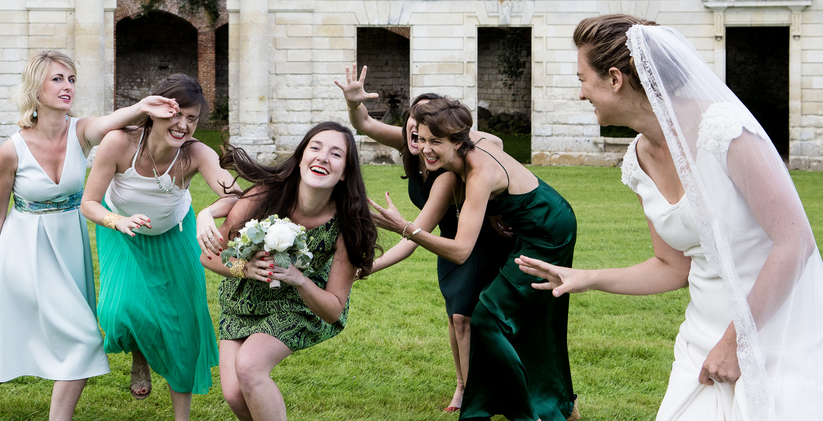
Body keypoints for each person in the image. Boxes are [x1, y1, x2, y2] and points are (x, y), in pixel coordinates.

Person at [517, 14, 823, 420]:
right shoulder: (639, 159)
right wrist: (586, 278)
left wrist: (736, 342)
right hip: (702, 337)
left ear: (614, 78)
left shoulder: (725, 132)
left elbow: (795, 243)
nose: (580, 94)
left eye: (582, 79)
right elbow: (671, 266)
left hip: (775, 331)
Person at [0, 50, 180, 419]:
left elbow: (113, 121)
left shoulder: (81, 132)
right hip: (22, 251)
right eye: (57, 79)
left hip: (67, 248)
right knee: (79, 337)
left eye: (71, 80)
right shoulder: (10, 151)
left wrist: (143, 106)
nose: (67, 87)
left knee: (48, 331)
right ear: (36, 89)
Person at [371, 97, 578, 421]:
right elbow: (497, 142)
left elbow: (461, 250)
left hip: (548, 230)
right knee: (532, 322)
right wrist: (497, 208)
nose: (425, 149)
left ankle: (525, 411)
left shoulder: (478, 172)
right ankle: (561, 405)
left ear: (458, 140)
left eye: (435, 142)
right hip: (529, 225)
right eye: (422, 139)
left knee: (490, 317)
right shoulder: (466, 153)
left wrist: (406, 228)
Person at [334, 65, 514, 412]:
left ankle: (476, 390)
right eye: (414, 128)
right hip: (449, 244)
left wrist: (374, 262)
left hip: (478, 243)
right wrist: (354, 102)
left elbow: (414, 234)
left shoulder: (447, 172)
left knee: (465, 318)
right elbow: (364, 124)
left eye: (430, 132)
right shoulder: (412, 143)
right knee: (455, 317)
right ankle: (462, 385)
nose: (419, 137)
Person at [79, 74, 241, 420]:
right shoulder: (118, 143)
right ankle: (140, 354)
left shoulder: (196, 154)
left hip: (174, 234)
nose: (182, 124)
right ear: (155, 110)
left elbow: (236, 196)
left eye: (192, 118)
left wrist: (209, 213)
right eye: (175, 113)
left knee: (182, 326)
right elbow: (89, 203)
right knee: (119, 313)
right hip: (122, 231)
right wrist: (117, 221)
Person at [199, 122, 380, 421]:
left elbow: (334, 310)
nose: (323, 157)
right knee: (234, 394)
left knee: (250, 366)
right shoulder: (263, 197)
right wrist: (244, 267)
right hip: (243, 300)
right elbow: (209, 257)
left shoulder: (347, 225)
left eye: (336, 154)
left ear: (345, 172)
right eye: (316, 148)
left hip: (301, 303)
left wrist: (299, 280)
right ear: (300, 157)